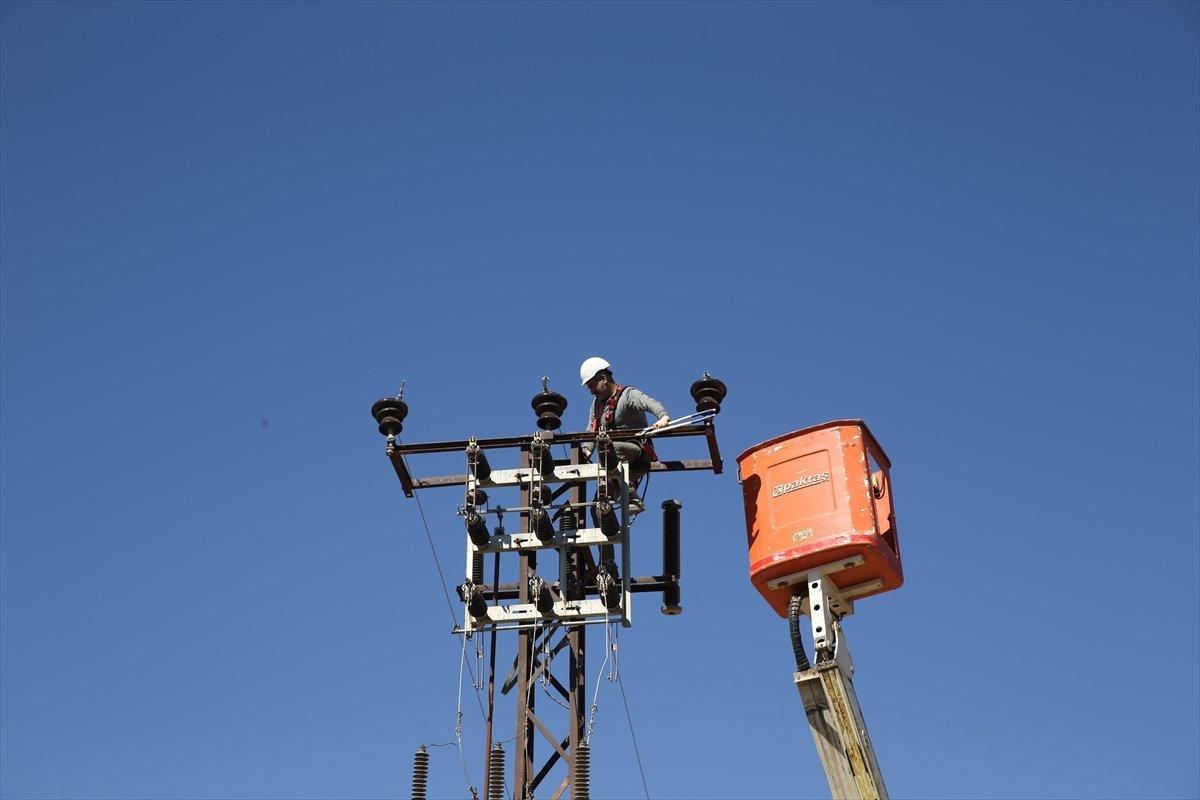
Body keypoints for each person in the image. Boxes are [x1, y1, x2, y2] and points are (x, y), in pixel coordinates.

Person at [578, 357, 671, 503]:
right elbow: (592, 430)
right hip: (612, 463)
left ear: (603, 379)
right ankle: (605, 515)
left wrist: (663, 417)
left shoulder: (628, 395)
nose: (591, 391)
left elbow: (650, 403)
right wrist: (586, 450)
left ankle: (631, 495)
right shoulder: (597, 405)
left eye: (592, 385)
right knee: (600, 502)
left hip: (637, 453)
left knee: (609, 447)